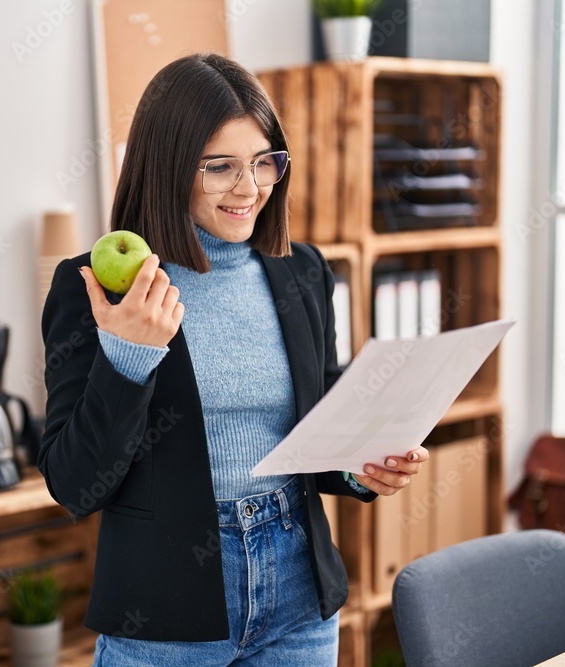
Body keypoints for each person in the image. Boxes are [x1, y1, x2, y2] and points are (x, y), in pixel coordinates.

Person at [40, 52, 429, 666]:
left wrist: (360, 466)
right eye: (221, 167)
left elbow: (314, 429)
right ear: (168, 168)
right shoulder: (97, 287)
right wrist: (127, 356)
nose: (249, 189)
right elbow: (75, 485)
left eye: (263, 162)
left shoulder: (302, 271)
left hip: (298, 598)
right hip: (167, 617)